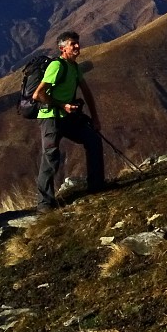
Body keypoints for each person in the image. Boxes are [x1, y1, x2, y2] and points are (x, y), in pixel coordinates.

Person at [30, 31, 105, 211]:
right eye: (73, 44)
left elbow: (86, 92)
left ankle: (96, 187)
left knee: (93, 140)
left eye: (78, 43)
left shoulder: (74, 67)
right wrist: (63, 105)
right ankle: (44, 204)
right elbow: (38, 94)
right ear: (62, 48)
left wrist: (95, 118)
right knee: (51, 157)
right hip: (50, 118)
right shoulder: (57, 66)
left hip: (67, 117)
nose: (78, 46)